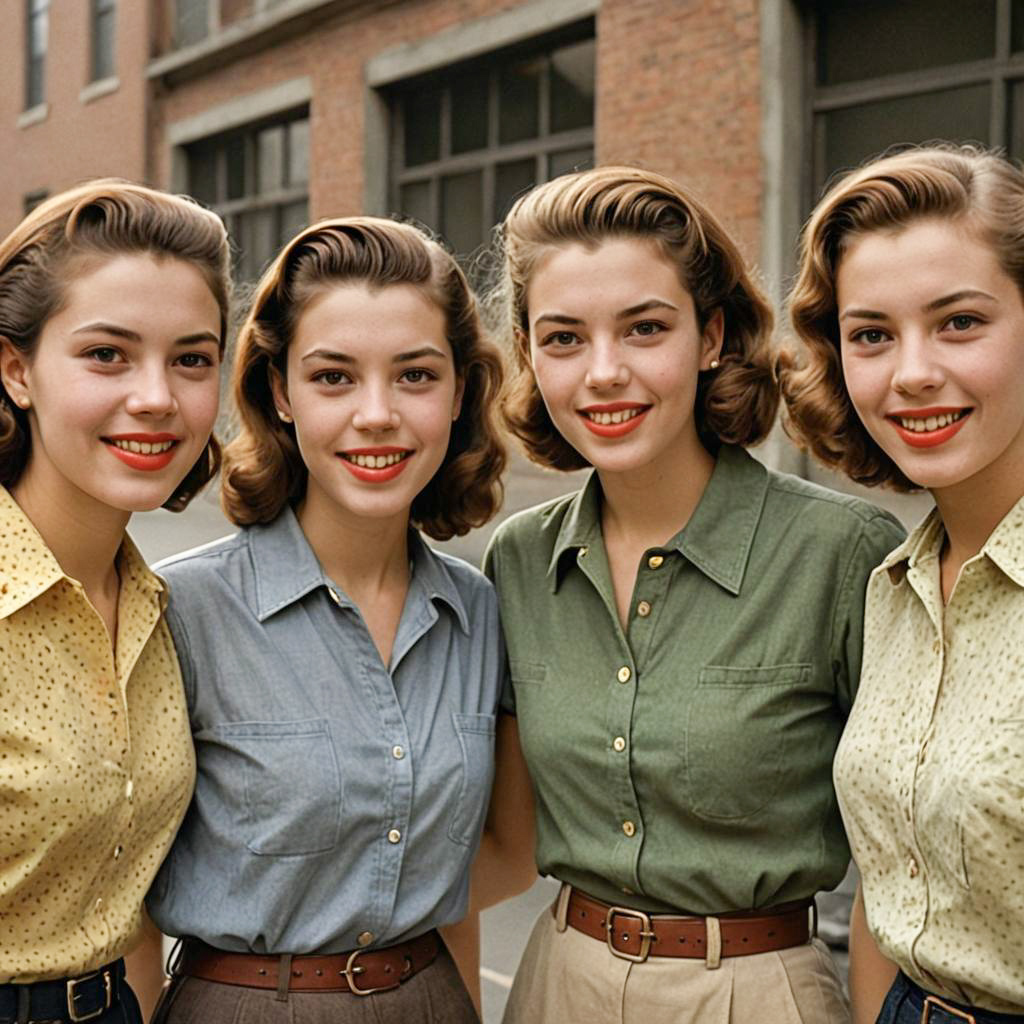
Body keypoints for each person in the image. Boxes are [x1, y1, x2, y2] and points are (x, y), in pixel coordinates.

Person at [482, 166, 905, 1024]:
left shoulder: (843, 555)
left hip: (759, 992)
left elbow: (906, 869)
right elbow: (505, 843)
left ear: (711, 336)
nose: (605, 372)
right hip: (559, 983)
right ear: (528, 352)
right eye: (563, 339)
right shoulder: (519, 560)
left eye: (645, 328)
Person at [145, 216, 507, 1024]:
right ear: (280, 393)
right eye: (334, 378)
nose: (376, 415)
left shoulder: (478, 612)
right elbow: (123, 903)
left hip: (431, 998)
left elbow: (464, 878)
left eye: (415, 376)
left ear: (458, 393)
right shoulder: (184, 612)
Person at [783, 144, 1024, 1024]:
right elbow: (891, 898)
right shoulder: (893, 584)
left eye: (960, 321)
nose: (912, 371)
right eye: (872, 334)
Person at [0, 180, 230, 1024]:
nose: (157, 398)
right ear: (17, 369)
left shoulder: (158, 608)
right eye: (107, 355)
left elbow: (124, 894)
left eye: (192, 359)